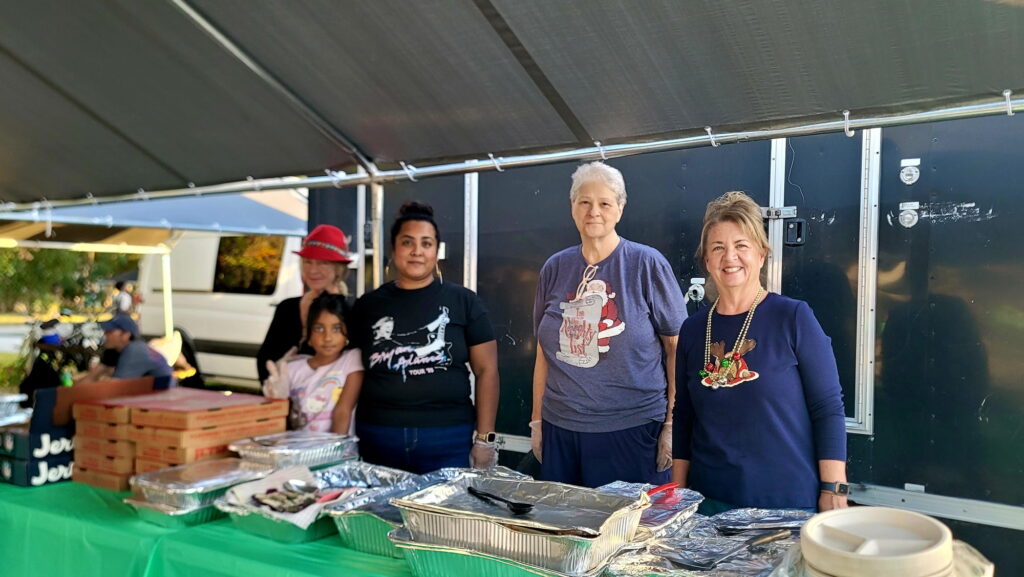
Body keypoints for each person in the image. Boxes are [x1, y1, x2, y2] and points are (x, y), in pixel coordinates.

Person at [672, 191, 848, 513]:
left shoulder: (793, 317)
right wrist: (678, 495)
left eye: (741, 245)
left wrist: (833, 489)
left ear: (762, 254)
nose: (730, 257)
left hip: (785, 505)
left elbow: (827, 408)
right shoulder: (693, 330)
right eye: (718, 248)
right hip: (709, 503)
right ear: (707, 261)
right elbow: (684, 416)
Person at [532, 161, 686, 488]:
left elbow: (677, 349)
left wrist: (673, 426)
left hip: (633, 430)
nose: (594, 211)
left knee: (627, 521)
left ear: (620, 208)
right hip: (561, 428)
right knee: (566, 519)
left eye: (604, 203)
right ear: (572, 207)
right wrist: (537, 421)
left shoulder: (646, 264)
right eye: (584, 202)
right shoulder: (554, 268)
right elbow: (544, 353)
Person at [347, 201, 499, 474]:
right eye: (407, 242)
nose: (417, 251)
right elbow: (348, 368)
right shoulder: (367, 306)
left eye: (426, 243)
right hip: (378, 435)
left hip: (448, 437)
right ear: (393, 249)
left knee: (445, 505)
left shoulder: (464, 302)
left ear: (436, 251)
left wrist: (485, 439)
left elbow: (487, 370)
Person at [257, 224, 352, 385]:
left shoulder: (351, 311)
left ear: (338, 268)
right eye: (308, 262)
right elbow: (264, 361)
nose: (313, 270)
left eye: (323, 263)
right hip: (288, 395)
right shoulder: (287, 308)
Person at [263, 293, 363, 433]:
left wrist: (336, 446)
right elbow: (282, 418)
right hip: (298, 445)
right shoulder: (292, 368)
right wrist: (278, 397)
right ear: (309, 333)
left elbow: (343, 412)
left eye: (336, 328)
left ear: (347, 331)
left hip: (337, 444)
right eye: (319, 329)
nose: (327, 338)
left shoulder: (351, 359)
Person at [77, 315, 173, 384]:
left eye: (110, 331)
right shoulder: (114, 350)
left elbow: (116, 386)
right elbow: (93, 376)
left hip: (161, 398)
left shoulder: (134, 350)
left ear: (126, 335)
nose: (105, 334)